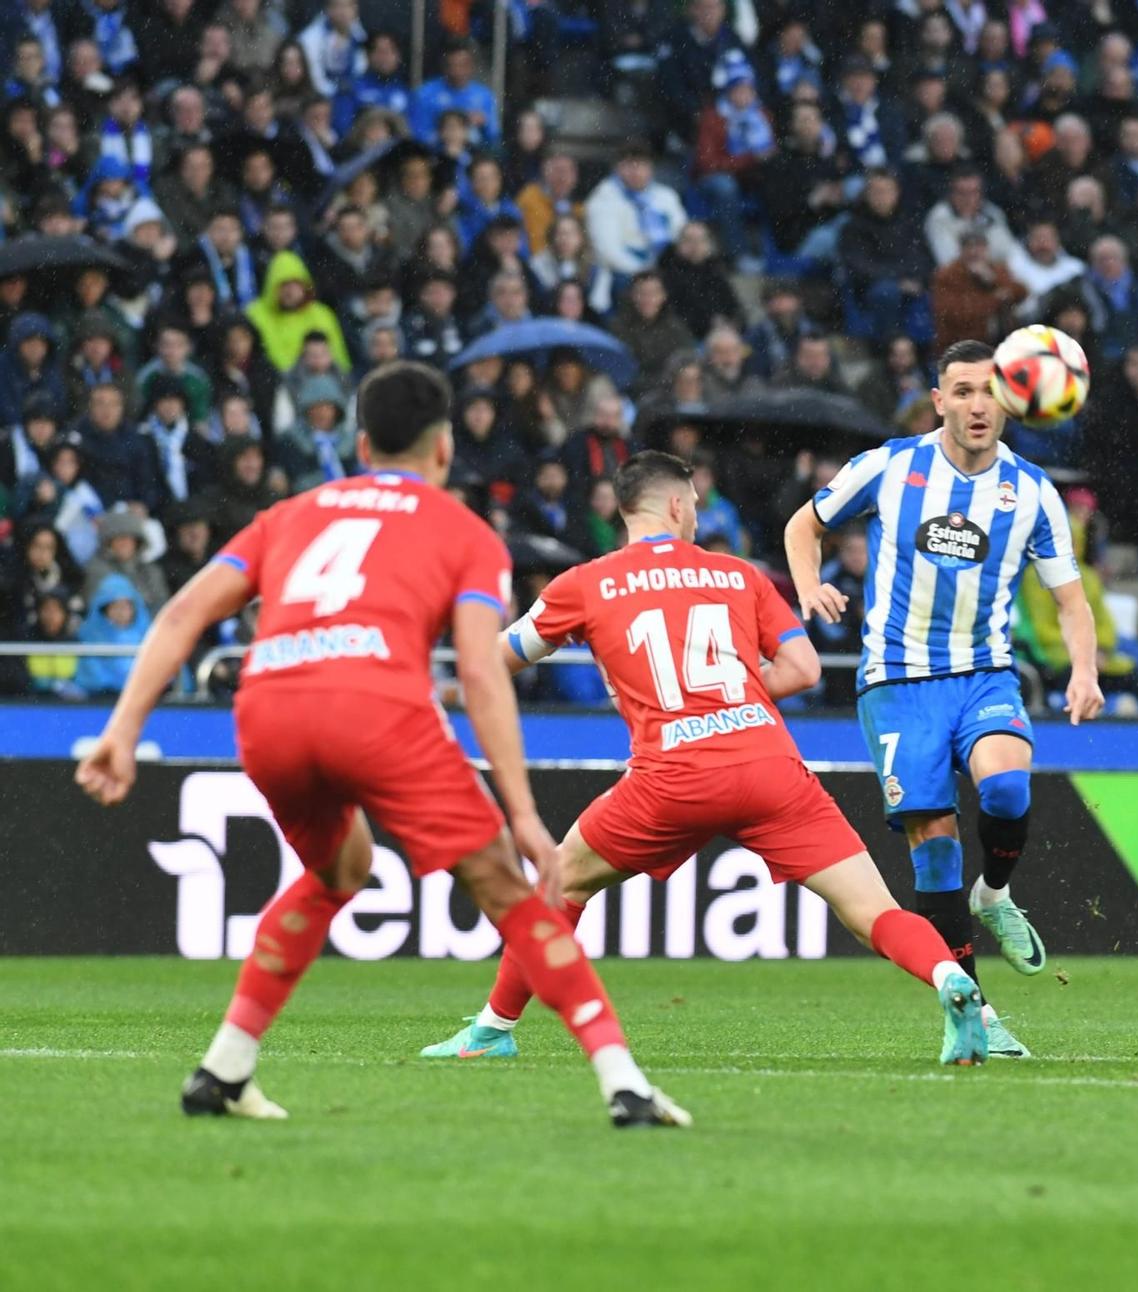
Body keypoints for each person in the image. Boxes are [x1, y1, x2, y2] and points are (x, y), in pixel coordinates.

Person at [74, 362, 683, 1130]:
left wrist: (122, 732)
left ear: (362, 442)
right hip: (375, 708)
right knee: (508, 886)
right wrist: (524, 813)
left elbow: (181, 614)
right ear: (444, 449)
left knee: (340, 868)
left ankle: (224, 1068)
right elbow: (479, 673)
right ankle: (625, 1084)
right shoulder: (464, 531)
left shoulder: (291, 513)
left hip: (267, 711)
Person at [421, 452, 989, 1066]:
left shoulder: (585, 583)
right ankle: (948, 979)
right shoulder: (739, 575)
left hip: (671, 776)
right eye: (692, 503)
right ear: (674, 505)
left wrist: (440, 691)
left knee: (563, 879)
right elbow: (803, 670)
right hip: (768, 766)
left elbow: (495, 661)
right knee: (873, 912)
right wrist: (733, 699)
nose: (695, 515)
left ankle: (491, 1031)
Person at [783, 340, 1106, 1058]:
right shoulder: (891, 466)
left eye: (989, 391)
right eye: (961, 391)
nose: (977, 405)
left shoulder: (1032, 492)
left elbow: (1071, 600)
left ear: (1013, 399)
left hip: (984, 674)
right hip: (897, 685)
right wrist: (807, 585)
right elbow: (803, 524)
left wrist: (1084, 670)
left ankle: (995, 893)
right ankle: (976, 1015)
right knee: (934, 855)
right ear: (939, 401)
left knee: (1007, 791)